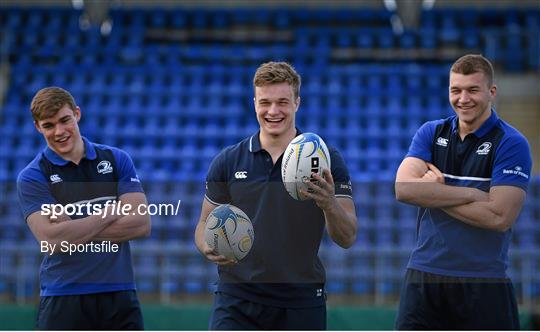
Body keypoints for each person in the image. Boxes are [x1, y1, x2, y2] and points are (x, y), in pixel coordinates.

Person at [194, 61, 358, 330]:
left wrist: (329, 204)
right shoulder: (229, 160)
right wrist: (207, 244)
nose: (273, 111)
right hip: (237, 299)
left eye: (282, 102)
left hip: (301, 301)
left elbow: (348, 237)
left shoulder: (325, 159)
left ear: (297, 103)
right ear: (254, 103)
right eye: (265, 102)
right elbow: (203, 224)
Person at [394, 54, 532, 330]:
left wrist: (436, 193)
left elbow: (499, 216)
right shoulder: (431, 132)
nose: (463, 99)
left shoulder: (512, 143)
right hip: (424, 275)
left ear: (491, 92)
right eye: (456, 90)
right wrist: (469, 194)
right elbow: (404, 189)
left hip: (484, 281)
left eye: (472, 90)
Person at [17, 87, 151, 330]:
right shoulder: (33, 176)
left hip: (119, 293)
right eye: (48, 125)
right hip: (63, 295)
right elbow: (52, 241)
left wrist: (71, 227)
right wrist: (111, 212)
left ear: (77, 114)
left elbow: (141, 224)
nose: (59, 132)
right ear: (38, 127)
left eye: (65, 120)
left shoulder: (116, 159)